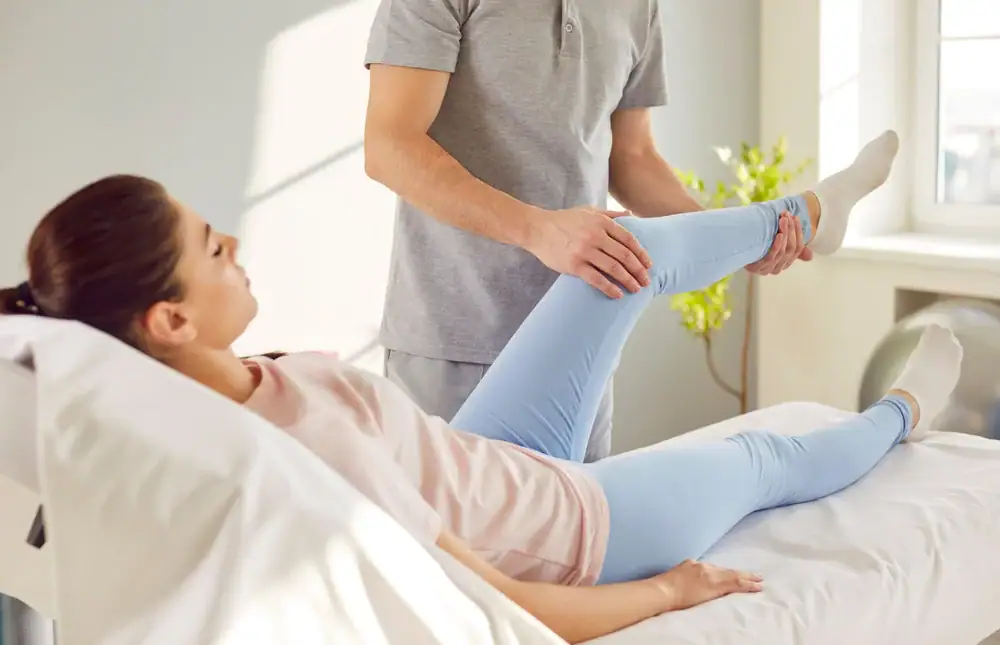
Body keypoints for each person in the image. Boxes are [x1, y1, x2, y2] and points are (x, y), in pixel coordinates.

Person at [1, 131, 962, 643]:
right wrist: (673, 586)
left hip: (491, 451)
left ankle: (806, 216)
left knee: (608, 253)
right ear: (168, 322)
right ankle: (903, 413)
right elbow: (501, 604)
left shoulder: (223, 391)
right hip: (573, 526)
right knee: (761, 456)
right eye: (212, 248)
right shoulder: (307, 464)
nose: (236, 244)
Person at [363, 0, 812, 460]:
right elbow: (390, 144)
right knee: (442, 531)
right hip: (453, 342)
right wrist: (538, 230)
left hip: (584, 336)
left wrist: (730, 240)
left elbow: (632, 158)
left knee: (577, 528)